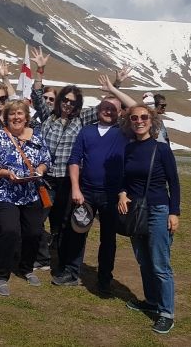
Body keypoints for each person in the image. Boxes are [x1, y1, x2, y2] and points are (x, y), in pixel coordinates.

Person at [30, 47, 135, 271]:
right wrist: (40, 70)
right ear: (59, 100)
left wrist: (116, 84)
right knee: (37, 219)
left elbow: (106, 107)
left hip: (68, 182)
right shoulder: (49, 116)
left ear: (78, 105)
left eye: (73, 102)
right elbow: (37, 95)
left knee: (63, 222)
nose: (69, 104)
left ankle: (59, 257)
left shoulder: (82, 119)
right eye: (66, 100)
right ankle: (42, 258)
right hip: (46, 179)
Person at [51, 95, 131, 294]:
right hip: (85, 192)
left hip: (112, 195)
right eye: (105, 107)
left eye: (114, 108)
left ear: (120, 112)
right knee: (77, 232)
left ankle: (104, 279)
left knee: (108, 239)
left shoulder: (124, 132)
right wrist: (76, 188)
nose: (109, 111)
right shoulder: (86, 131)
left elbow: (136, 107)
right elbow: (74, 159)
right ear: (98, 108)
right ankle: (71, 272)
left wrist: (114, 88)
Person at [118, 104, 181, 335]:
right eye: (134, 118)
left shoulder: (161, 149)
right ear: (130, 122)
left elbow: (174, 183)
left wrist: (174, 212)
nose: (139, 121)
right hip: (136, 211)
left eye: (144, 117)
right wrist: (122, 192)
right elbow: (125, 178)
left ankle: (166, 313)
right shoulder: (129, 148)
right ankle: (152, 301)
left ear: (151, 120)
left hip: (158, 210)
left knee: (159, 264)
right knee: (143, 260)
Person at [0, 100, 51, 297]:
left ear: (26, 117)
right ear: (6, 117)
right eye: (12, 114)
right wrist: (5, 173)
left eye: (20, 113)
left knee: (34, 232)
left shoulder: (37, 138)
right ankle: (1, 275)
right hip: (4, 193)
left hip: (30, 193)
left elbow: (46, 160)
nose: (16, 117)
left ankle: (26, 267)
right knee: (10, 230)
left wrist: (39, 170)